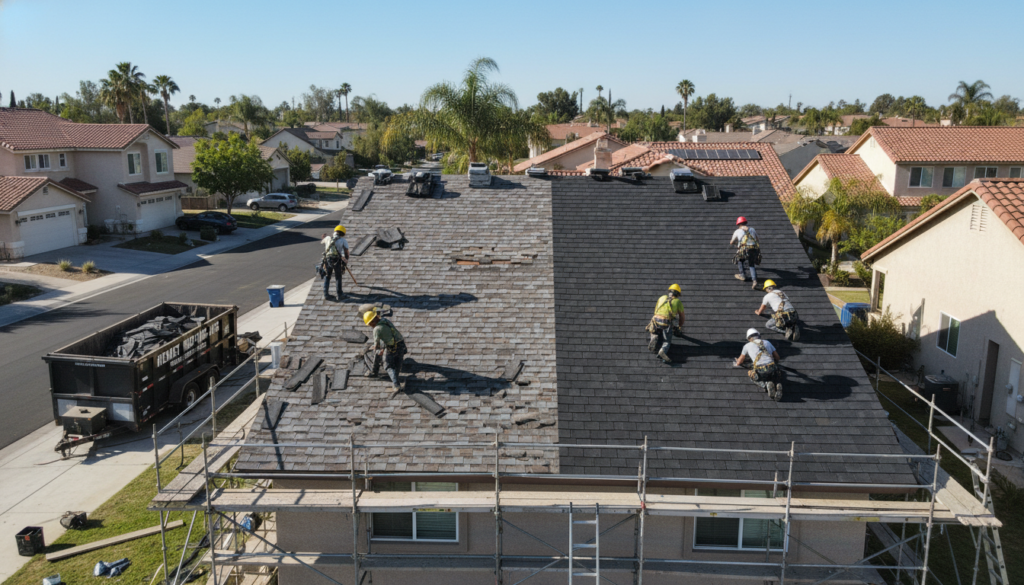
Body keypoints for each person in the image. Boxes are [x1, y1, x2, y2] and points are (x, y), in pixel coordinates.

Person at [363, 308, 407, 391]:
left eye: (370, 324)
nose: (370, 326)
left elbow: (376, 345)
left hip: (391, 347)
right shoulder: (385, 320)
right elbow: (393, 334)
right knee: (397, 363)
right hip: (400, 344)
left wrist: (378, 350)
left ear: (372, 322)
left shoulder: (376, 329)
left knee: (388, 365)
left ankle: (396, 385)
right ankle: (374, 371)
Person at [734, 328, 783, 401]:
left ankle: (765, 385)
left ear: (749, 338)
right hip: (773, 368)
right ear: (758, 336)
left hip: (761, 371)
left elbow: (739, 362)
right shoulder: (767, 342)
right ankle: (776, 383)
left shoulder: (747, 346)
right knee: (772, 374)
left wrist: (738, 361)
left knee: (751, 375)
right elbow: (778, 358)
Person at [647, 284, 685, 364]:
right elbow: (682, 317)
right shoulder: (678, 302)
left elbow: (655, 310)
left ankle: (654, 336)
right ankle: (662, 351)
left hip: (655, 319)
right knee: (667, 341)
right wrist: (679, 326)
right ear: (677, 294)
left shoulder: (662, 297)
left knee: (653, 329)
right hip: (665, 322)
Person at [730, 216, 760, 289]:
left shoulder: (737, 231)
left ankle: (742, 275)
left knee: (740, 260)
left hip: (744, 249)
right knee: (751, 264)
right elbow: (757, 240)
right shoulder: (752, 229)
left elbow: (731, 242)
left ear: (738, 224)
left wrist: (737, 244)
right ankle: (754, 280)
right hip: (753, 249)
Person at [321, 225, 350, 300]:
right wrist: (345, 262)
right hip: (337, 260)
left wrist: (325, 237)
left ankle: (326, 294)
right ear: (342, 233)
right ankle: (340, 294)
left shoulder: (328, 238)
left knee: (327, 276)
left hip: (327, 260)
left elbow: (323, 241)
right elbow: (346, 253)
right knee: (338, 277)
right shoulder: (343, 240)